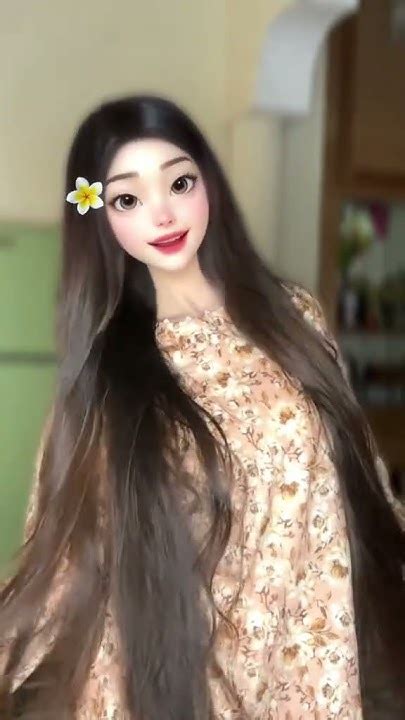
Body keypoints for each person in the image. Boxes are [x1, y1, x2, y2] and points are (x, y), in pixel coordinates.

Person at [0, 95, 404, 720]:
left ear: (207, 182)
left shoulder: (291, 316)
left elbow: (360, 473)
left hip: (307, 657)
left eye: (180, 183)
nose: (162, 213)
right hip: (171, 678)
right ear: (99, 216)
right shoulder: (107, 376)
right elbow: (63, 558)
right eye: (127, 199)